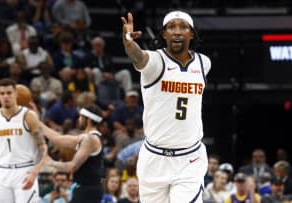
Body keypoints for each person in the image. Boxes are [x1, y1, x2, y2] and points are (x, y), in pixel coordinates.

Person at [120, 10, 211, 202]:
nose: (177, 31)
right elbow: (138, 57)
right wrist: (129, 43)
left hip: (190, 157)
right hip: (154, 158)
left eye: (183, 27)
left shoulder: (204, 63)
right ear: (164, 34)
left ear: (191, 33)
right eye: (171, 27)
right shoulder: (155, 61)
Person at [0, 78, 48, 202]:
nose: (6, 96)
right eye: (2, 93)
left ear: (16, 94)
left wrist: (34, 172)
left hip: (24, 170)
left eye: (9, 93)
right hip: (1, 172)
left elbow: (43, 146)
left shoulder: (28, 116)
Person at [41, 104, 104, 203]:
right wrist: (36, 123)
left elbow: (72, 167)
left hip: (88, 190)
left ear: (88, 120)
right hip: (86, 188)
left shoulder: (90, 139)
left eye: (81, 117)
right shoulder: (86, 137)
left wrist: (50, 162)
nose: (79, 119)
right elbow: (57, 139)